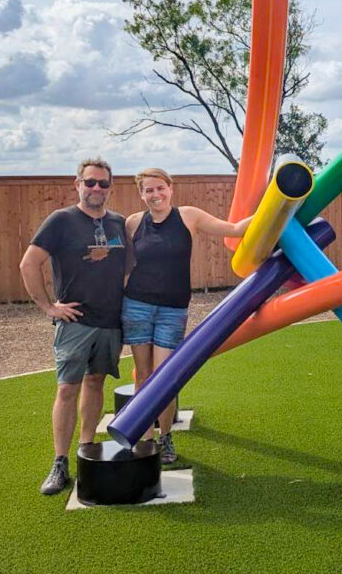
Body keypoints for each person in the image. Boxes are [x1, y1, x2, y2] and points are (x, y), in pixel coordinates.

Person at [123, 168, 253, 464]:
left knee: (164, 377)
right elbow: (121, 266)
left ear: (170, 188)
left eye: (160, 188)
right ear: (141, 194)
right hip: (136, 306)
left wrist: (275, 213)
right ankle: (144, 439)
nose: (155, 195)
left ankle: (165, 436)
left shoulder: (188, 216)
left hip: (173, 309)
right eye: (148, 190)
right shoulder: (132, 223)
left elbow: (233, 230)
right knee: (142, 375)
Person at [19, 157, 126, 495]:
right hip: (75, 322)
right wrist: (48, 305)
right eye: (90, 182)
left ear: (111, 187)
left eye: (103, 183)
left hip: (110, 320)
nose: (96, 188)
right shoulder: (61, 220)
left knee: (95, 383)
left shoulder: (119, 222)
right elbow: (29, 263)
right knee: (67, 388)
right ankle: (59, 462)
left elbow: (127, 266)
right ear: (77, 184)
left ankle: (86, 449)